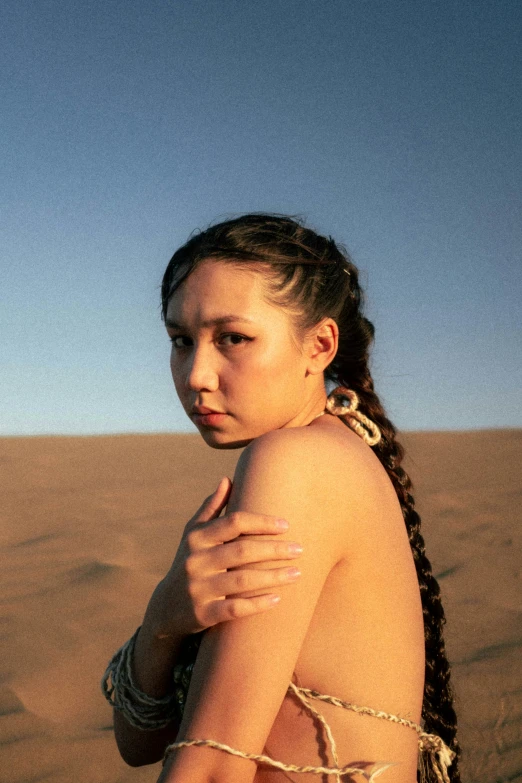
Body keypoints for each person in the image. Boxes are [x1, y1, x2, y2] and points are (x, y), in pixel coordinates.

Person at [102, 213, 461, 783]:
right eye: (180, 341)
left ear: (319, 346)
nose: (196, 374)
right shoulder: (331, 453)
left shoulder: (294, 461)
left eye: (233, 338)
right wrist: (166, 615)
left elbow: (213, 762)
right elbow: (139, 742)